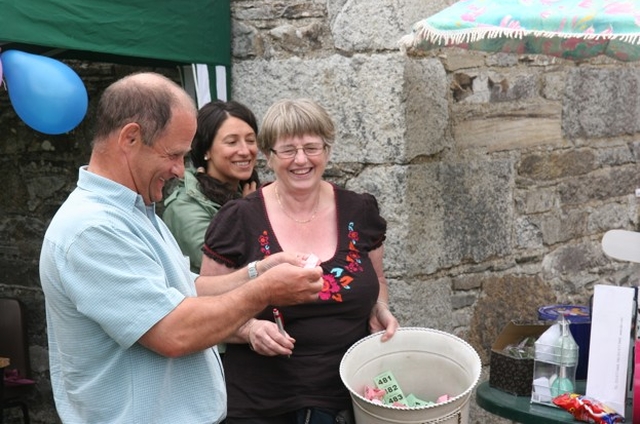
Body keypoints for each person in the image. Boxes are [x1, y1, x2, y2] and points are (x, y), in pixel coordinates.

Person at [38, 73, 323, 424]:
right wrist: (265, 290)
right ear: (130, 138)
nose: (178, 170)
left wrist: (259, 270)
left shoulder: (134, 210)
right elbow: (173, 331)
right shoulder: (93, 229)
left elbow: (184, 291)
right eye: (173, 154)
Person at [200, 97, 399, 423]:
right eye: (288, 150)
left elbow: (376, 280)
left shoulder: (359, 211)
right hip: (262, 404)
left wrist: (380, 309)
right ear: (268, 156)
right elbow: (203, 298)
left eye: (312, 147)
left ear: (328, 151)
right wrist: (248, 329)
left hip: (348, 400)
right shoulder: (239, 218)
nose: (301, 160)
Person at [163, 100, 261, 273]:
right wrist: (249, 215)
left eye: (251, 140)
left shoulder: (248, 192)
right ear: (206, 150)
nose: (245, 151)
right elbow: (224, 269)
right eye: (232, 142)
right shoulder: (185, 208)